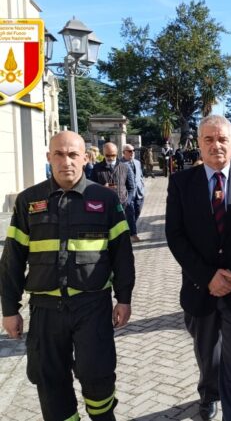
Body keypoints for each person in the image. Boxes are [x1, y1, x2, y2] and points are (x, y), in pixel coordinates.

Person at [0, 131, 135, 421]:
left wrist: (124, 299)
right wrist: (9, 310)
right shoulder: (28, 201)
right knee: (49, 380)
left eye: (73, 154)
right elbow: (11, 260)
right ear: (49, 158)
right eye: (59, 155)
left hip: (92, 307)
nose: (66, 161)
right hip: (46, 310)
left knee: (97, 375)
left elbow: (122, 255)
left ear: (86, 159)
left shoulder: (106, 200)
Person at [166, 114, 231, 421]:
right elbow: (175, 235)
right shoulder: (182, 183)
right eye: (208, 139)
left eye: (222, 139)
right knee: (207, 355)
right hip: (200, 289)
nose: (216, 145)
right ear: (199, 144)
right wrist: (208, 276)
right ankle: (209, 393)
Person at [91, 142, 136, 213]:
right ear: (103, 153)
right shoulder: (96, 168)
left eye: (113, 155)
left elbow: (131, 188)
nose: (111, 158)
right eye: (108, 155)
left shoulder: (125, 167)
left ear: (117, 153)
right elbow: (91, 188)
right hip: (105, 208)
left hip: (123, 207)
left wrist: (127, 202)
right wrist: (102, 188)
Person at [121, 144, 145, 242]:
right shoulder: (120, 164)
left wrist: (143, 187)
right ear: (124, 153)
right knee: (130, 213)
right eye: (130, 151)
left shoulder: (137, 162)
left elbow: (140, 176)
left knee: (137, 211)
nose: (132, 153)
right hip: (127, 194)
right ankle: (133, 234)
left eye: (133, 150)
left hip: (139, 193)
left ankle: (128, 229)